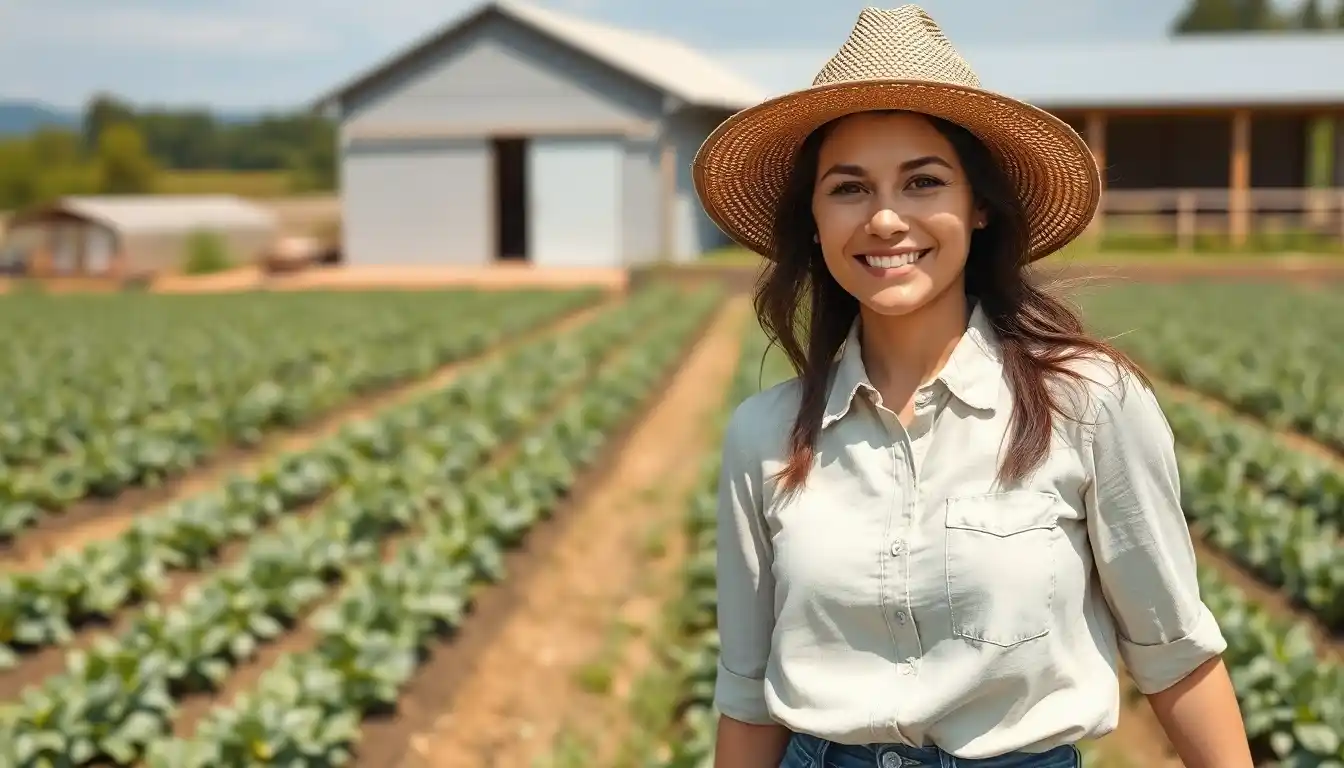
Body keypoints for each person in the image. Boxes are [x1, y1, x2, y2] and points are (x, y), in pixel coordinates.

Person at [692, 6, 1254, 768]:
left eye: (923, 182)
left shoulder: (1086, 404)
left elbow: (1175, 654)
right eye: (848, 189)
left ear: (978, 207)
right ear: (815, 221)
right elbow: (750, 694)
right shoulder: (764, 436)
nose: (886, 218)